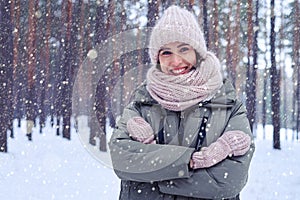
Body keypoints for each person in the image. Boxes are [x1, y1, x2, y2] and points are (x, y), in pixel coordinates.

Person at [109, 5, 255, 200]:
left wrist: (153, 174)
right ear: (157, 59)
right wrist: (190, 161)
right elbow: (122, 160)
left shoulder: (228, 104)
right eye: (166, 52)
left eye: (184, 49)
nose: (176, 60)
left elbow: (227, 183)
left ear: (197, 52)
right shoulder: (141, 102)